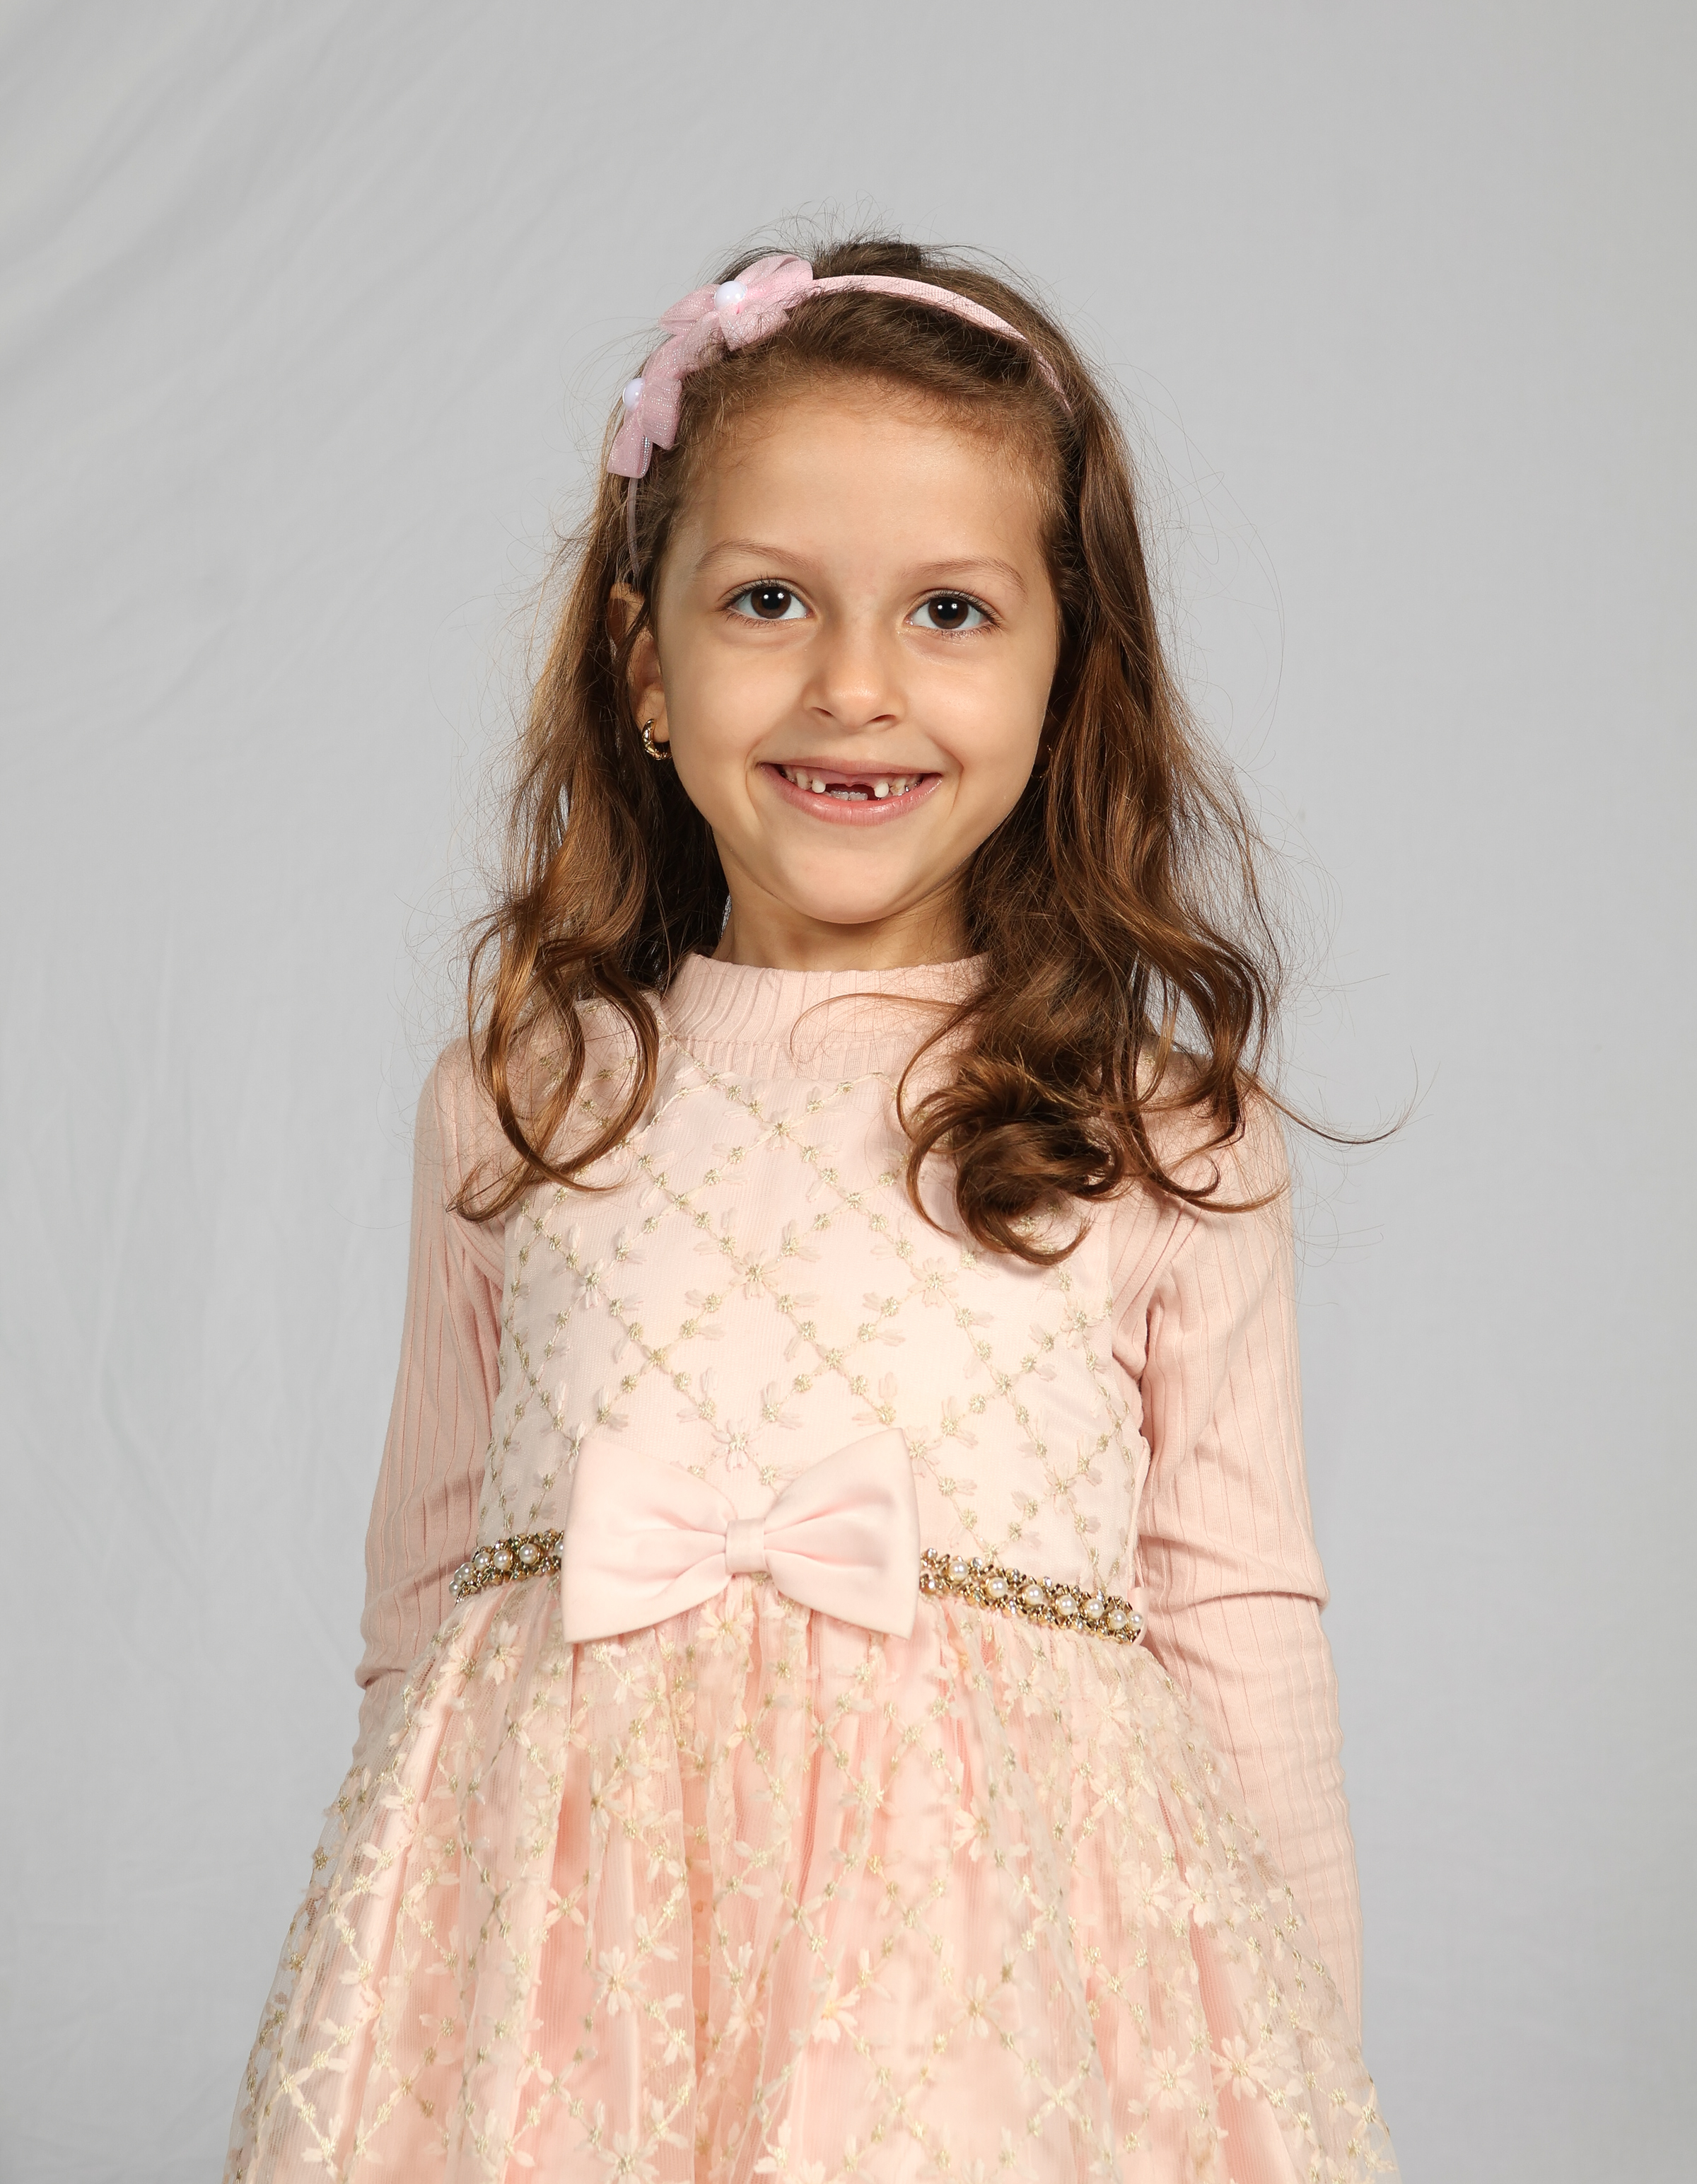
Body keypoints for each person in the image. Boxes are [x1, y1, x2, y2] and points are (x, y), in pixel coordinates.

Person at [228, 238, 1399, 2183]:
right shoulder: (522, 1102)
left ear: (1065, 679)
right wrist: (384, 2012)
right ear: (647, 666)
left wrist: (1306, 2083)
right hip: (565, 2023)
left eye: (951, 610)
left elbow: (1243, 1632)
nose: (856, 685)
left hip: (989, 2029)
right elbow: (421, 1606)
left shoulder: (1161, 1139)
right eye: (768, 599)